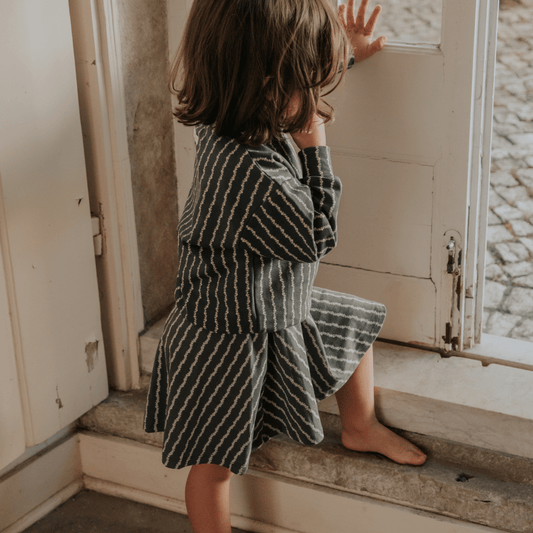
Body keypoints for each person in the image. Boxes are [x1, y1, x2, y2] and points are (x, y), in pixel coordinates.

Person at [144, 0, 427, 531]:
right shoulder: (250, 172)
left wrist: (345, 54)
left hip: (269, 299)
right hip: (227, 337)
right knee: (215, 465)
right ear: (270, 84)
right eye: (308, 81)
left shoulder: (234, 116)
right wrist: (317, 146)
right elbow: (318, 236)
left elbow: (283, 78)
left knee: (354, 325)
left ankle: (360, 427)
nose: (315, 98)